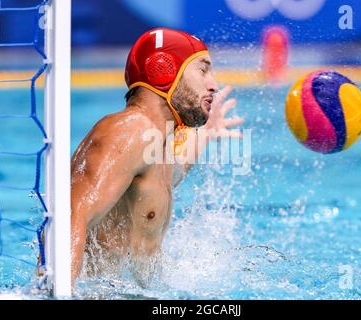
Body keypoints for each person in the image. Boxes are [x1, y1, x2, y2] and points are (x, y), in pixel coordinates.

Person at [70, 28, 244, 285]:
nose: (213, 85)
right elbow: (71, 217)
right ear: (164, 70)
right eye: (203, 70)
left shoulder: (153, 142)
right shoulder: (129, 131)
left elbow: (174, 170)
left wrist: (204, 133)